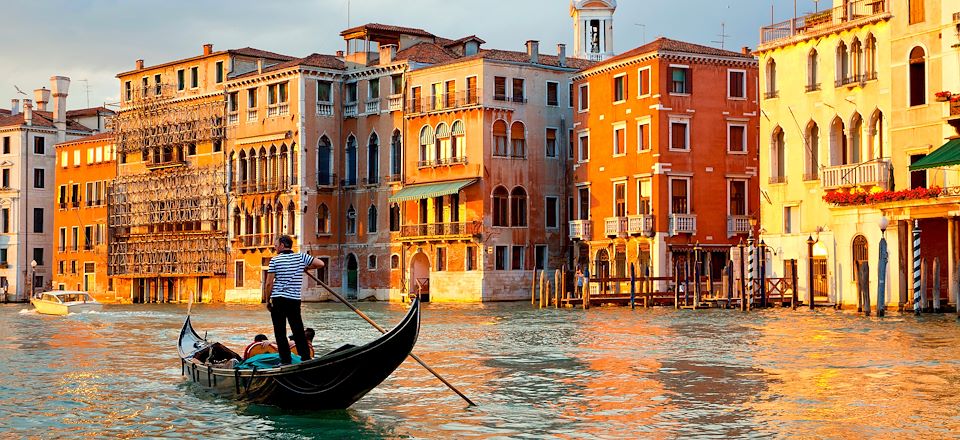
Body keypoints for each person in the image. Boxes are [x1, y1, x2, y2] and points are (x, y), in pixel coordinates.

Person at [263, 234, 325, 364]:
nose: (275, 248)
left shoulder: (275, 260)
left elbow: (269, 283)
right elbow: (321, 263)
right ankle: (306, 358)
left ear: (282, 245)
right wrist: (307, 267)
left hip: (278, 299)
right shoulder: (301, 257)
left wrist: (267, 300)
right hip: (293, 300)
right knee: (297, 330)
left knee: (280, 332)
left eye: (276, 245)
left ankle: (285, 361)